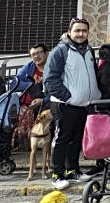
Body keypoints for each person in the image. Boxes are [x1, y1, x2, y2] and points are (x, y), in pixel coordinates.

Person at [43, 18, 101, 189]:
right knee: (62, 138)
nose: (81, 34)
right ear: (70, 32)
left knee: (76, 139)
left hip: (83, 104)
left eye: (84, 31)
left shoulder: (89, 50)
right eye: (77, 30)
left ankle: (72, 170)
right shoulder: (60, 51)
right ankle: (57, 174)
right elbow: (50, 79)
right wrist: (67, 96)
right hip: (64, 104)